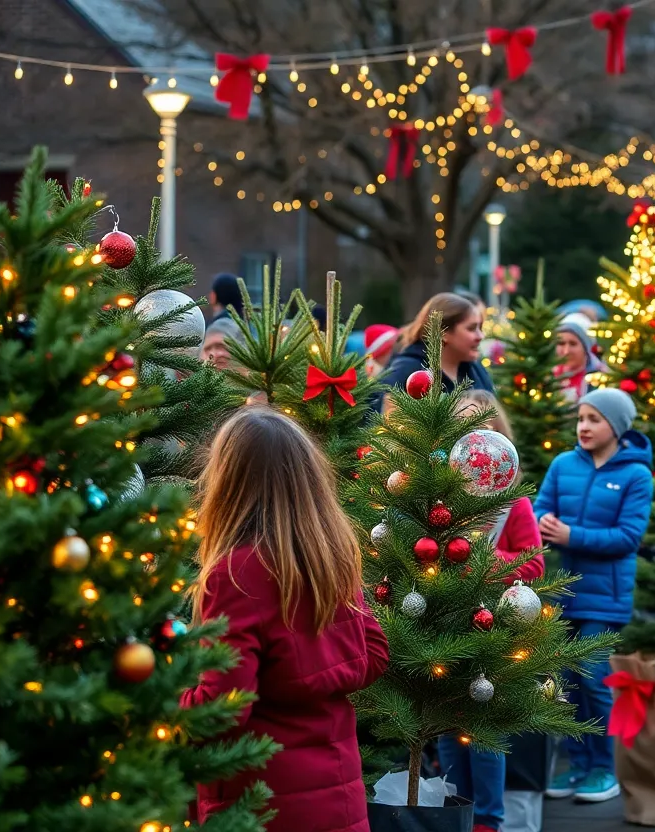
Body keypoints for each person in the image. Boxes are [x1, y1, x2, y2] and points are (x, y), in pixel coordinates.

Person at [182, 408, 389, 832]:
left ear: (229, 482)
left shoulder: (236, 574)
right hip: (339, 797)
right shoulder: (331, 555)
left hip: (263, 803)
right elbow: (373, 654)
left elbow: (223, 709)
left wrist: (159, 700)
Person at [536, 389, 653, 803]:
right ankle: (578, 767)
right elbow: (538, 510)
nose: (584, 426)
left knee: (590, 672)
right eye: (581, 418)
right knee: (565, 680)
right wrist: (543, 519)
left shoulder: (636, 475)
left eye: (594, 419)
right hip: (564, 590)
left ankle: (605, 768)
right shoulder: (563, 464)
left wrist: (572, 535)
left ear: (616, 427)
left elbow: (628, 537)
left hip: (606, 595)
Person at [439, 391, 544, 832]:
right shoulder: (439, 498)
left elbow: (533, 562)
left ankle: (487, 820)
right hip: (442, 625)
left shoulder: (511, 503)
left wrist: (476, 557)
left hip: (491, 630)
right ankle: (452, 811)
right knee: (445, 729)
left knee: (483, 733)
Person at [381, 293, 493, 411]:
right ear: (443, 332)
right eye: (471, 328)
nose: (480, 336)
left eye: (480, 328)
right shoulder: (407, 370)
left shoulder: (476, 370)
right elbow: (376, 421)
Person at [554, 313, 605, 402]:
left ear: (586, 349)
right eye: (561, 343)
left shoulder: (599, 380)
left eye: (573, 344)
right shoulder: (548, 375)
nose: (566, 351)